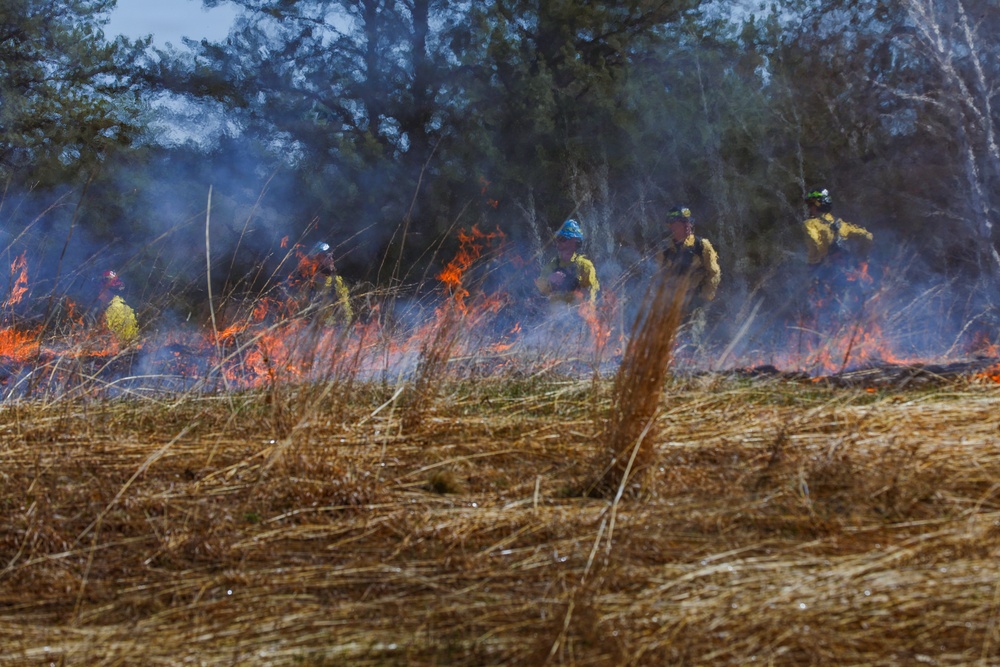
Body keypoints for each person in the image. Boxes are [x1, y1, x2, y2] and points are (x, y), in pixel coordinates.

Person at [657, 205, 721, 303]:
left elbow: (714, 272)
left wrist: (706, 296)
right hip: (672, 301)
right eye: (682, 221)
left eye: (688, 221)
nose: (687, 225)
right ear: (672, 225)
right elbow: (659, 276)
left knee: (697, 318)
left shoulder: (702, 245)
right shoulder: (665, 250)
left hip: (696, 298)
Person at [534, 219, 600, 305]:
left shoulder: (585, 265)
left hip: (577, 314)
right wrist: (550, 280)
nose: (559, 242)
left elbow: (591, 295)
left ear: (574, 241)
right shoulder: (552, 265)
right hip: (554, 315)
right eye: (558, 238)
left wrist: (575, 287)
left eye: (563, 239)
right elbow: (539, 291)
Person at [287, 241, 353, 324]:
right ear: (316, 259)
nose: (331, 260)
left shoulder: (337, 281)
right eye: (326, 256)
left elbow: (347, 308)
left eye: (331, 256)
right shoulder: (306, 285)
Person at [97, 270, 139, 347]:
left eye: (101, 290)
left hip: (119, 350)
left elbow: (109, 337)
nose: (99, 296)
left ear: (108, 291)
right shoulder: (124, 306)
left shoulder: (112, 310)